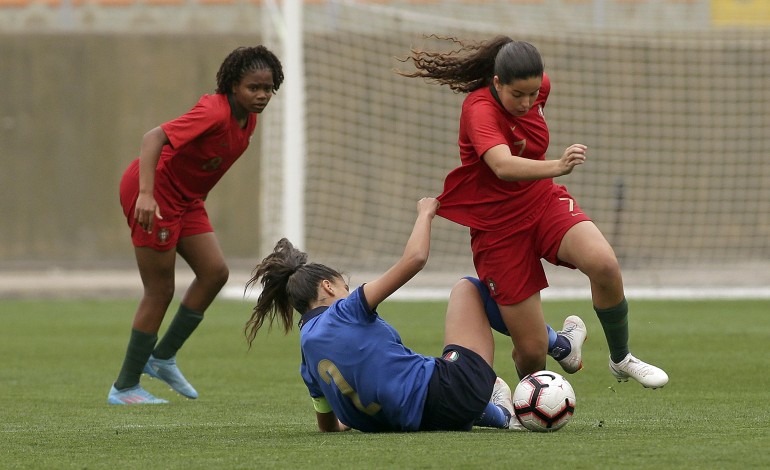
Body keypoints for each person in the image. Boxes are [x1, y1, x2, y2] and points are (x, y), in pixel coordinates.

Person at [397, 36, 668, 388]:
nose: (528, 102)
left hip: (541, 202)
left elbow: (527, 124)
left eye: (533, 93)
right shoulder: (478, 109)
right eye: (518, 95)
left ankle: (621, 358)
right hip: (497, 230)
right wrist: (557, 165)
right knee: (531, 350)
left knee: (604, 264)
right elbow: (502, 166)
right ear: (497, 83)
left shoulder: (538, 88)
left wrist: (551, 171)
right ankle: (534, 403)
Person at [245, 197, 550, 432]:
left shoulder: (307, 359)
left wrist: (364, 409)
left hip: (420, 420)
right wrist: (425, 214)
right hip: (453, 392)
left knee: (416, 373)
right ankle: (555, 341)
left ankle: (500, 414)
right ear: (327, 286)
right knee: (466, 289)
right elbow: (415, 259)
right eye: (345, 286)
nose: (349, 292)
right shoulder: (345, 310)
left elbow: (328, 427)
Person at [107, 45, 284, 405]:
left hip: (185, 200)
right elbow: (153, 138)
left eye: (268, 88)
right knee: (160, 290)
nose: (263, 95)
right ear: (233, 85)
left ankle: (163, 356)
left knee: (215, 272)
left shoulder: (247, 117)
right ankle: (124, 387)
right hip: (154, 194)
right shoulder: (214, 111)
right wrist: (145, 193)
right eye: (254, 87)